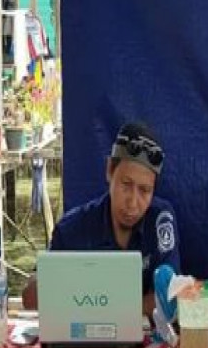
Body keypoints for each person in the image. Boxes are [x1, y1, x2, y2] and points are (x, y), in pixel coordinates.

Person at [22, 122, 180, 317]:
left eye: (144, 191)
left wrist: (101, 306)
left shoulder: (160, 220)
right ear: (109, 171)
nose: (133, 202)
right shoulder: (72, 229)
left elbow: (169, 296)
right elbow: (29, 299)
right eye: (126, 184)